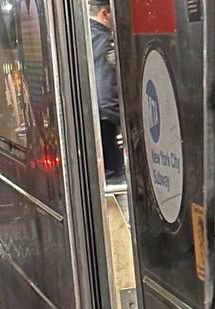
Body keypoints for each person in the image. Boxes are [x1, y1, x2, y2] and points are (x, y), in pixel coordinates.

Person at [90, 0, 124, 184]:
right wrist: (123, 124)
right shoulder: (104, 39)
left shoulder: (85, 36)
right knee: (116, 183)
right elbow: (105, 94)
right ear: (104, 13)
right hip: (107, 129)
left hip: (94, 128)